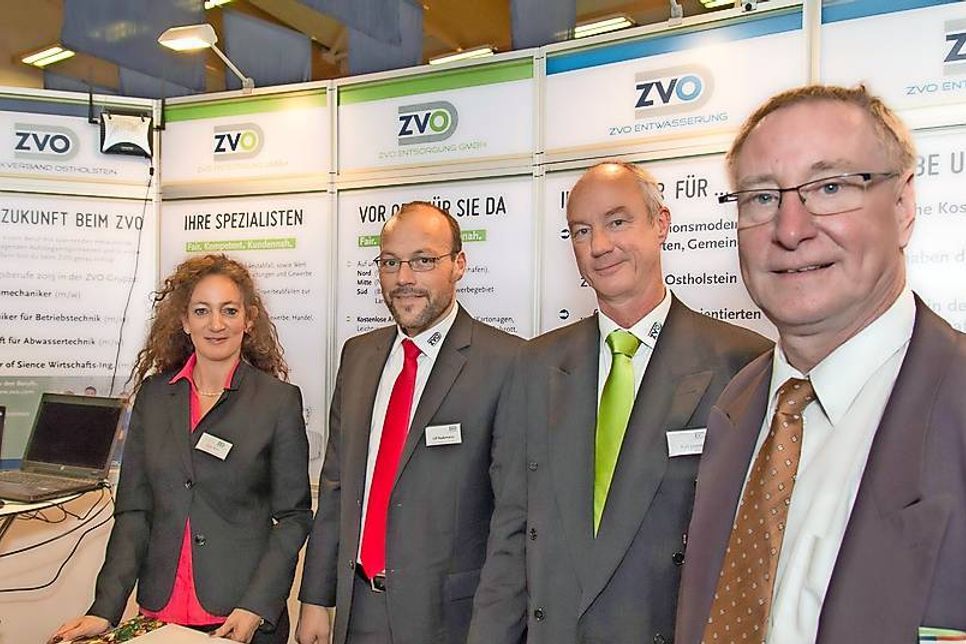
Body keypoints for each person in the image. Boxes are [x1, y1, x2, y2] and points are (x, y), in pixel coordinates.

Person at [675, 85, 966, 643]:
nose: (790, 230)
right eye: (761, 197)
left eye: (830, 188)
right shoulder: (736, 405)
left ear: (903, 206)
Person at [469, 162, 771, 644]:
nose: (599, 246)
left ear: (662, 223)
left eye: (617, 222)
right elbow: (511, 533)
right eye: (581, 231)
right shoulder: (535, 364)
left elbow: (752, 559)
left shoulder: (742, 364)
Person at [51, 254, 312, 644]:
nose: (216, 324)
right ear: (185, 321)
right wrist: (104, 609)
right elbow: (135, 513)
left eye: (229, 310)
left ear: (249, 318)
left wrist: (256, 605)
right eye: (202, 311)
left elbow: (293, 517)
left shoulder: (277, 402)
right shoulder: (155, 397)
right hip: (162, 613)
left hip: (241, 617)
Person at [295, 202, 523, 644]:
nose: (404, 278)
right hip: (358, 608)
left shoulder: (507, 362)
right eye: (390, 262)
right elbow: (338, 486)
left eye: (423, 260)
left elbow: (513, 516)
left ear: (458, 265)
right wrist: (316, 599)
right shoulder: (358, 356)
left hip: (452, 621)